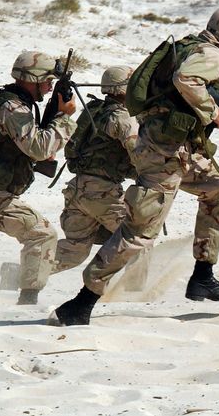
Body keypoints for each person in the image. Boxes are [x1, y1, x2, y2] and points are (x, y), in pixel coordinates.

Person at [49, 5, 219, 325]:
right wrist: (214, 114)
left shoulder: (193, 48)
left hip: (180, 151)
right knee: (139, 233)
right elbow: (187, 81)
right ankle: (81, 303)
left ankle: (202, 274)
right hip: (163, 156)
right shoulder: (209, 55)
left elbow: (190, 92)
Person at [0, 51, 77, 304]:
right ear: (32, 79)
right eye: (47, 82)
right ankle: (28, 300)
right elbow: (39, 148)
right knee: (42, 235)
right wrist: (64, 118)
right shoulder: (13, 108)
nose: (48, 88)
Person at [52, 66, 146, 286]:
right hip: (103, 193)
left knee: (74, 250)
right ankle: (136, 293)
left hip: (77, 189)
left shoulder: (94, 110)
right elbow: (140, 154)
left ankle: (22, 273)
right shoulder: (122, 118)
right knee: (139, 237)